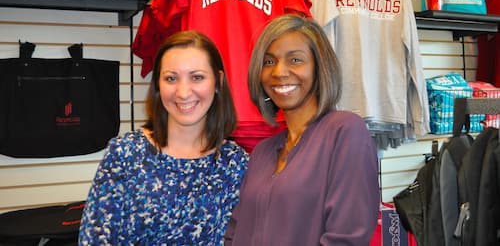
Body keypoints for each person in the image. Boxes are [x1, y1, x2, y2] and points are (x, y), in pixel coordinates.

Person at [79, 30, 249, 245]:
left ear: (218, 81)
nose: (183, 92)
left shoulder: (236, 163)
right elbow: (94, 239)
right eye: (171, 78)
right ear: (158, 84)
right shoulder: (126, 154)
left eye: (197, 77)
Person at [225, 14, 380, 245]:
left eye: (295, 60)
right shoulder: (262, 152)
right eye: (269, 62)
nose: (279, 72)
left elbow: (347, 238)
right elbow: (235, 232)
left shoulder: (345, 132)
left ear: (320, 67)